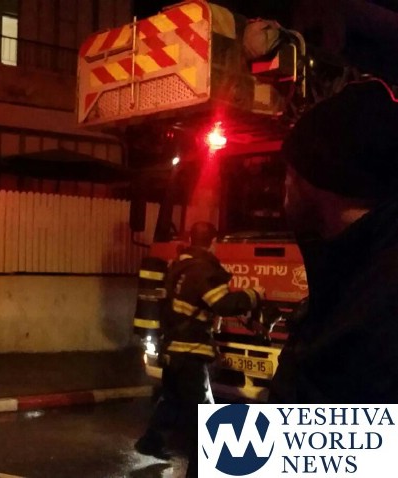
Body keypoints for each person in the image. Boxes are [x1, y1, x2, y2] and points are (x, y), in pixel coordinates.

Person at [271, 79, 398, 403]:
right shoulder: (361, 274)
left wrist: (219, 435)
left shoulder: (377, 310)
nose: (284, 187)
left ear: (315, 181)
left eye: (289, 173)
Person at [134, 221, 263, 478]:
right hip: (191, 351)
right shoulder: (203, 270)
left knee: (171, 399)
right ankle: (203, 466)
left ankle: (150, 442)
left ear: (191, 239)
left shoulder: (178, 266)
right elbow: (222, 303)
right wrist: (253, 294)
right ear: (213, 242)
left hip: (172, 348)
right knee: (203, 411)